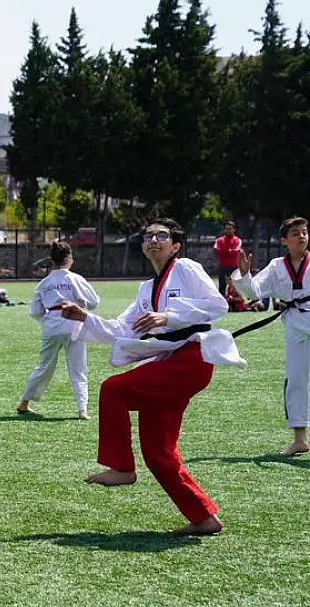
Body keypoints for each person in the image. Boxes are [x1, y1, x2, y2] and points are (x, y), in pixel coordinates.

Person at [60, 218, 243, 535]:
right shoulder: (146, 289)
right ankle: (204, 518)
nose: (153, 240)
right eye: (148, 236)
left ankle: (121, 467)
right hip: (167, 361)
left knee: (114, 389)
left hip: (191, 359)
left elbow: (217, 305)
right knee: (158, 454)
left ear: (175, 245)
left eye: (162, 235)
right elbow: (121, 329)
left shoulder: (185, 268)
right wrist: (84, 316)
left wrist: (169, 316)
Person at [231, 216, 310, 456]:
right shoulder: (276, 266)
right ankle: (300, 439)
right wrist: (245, 276)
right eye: (296, 233)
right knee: (295, 380)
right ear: (284, 240)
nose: (302, 236)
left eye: (305, 232)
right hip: (295, 325)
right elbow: (254, 292)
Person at [16, 241, 100, 419]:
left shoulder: (44, 283)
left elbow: (35, 311)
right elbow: (93, 302)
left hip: (51, 325)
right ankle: (82, 410)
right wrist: (80, 305)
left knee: (44, 366)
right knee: (78, 368)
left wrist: (47, 322)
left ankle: (24, 402)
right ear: (68, 258)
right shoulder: (75, 279)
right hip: (74, 324)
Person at [213, 220, 241, 299]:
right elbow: (216, 250)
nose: (227, 230)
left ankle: (236, 303)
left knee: (235, 287)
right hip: (223, 266)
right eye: (226, 228)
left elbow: (236, 251)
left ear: (234, 230)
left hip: (234, 267)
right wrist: (229, 251)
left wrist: (223, 251)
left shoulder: (237, 240)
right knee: (222, 286)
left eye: (230, 228)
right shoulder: (219, 240)